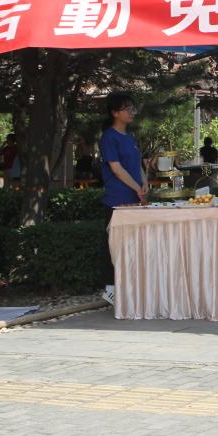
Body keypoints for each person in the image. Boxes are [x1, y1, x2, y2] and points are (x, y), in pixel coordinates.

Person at [99, 93, 147, 306]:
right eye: (127, 108)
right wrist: (137, 188)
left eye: (132, 108)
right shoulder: (109, 137)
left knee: (131, 246)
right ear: (114, 113)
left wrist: (145, 183)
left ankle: (129, 287)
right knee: (114, 245)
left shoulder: (130, 137)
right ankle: (110, 289)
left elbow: (137, 165)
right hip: (117, 200)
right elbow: (116, 168)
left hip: (134, 198)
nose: (132, 112)